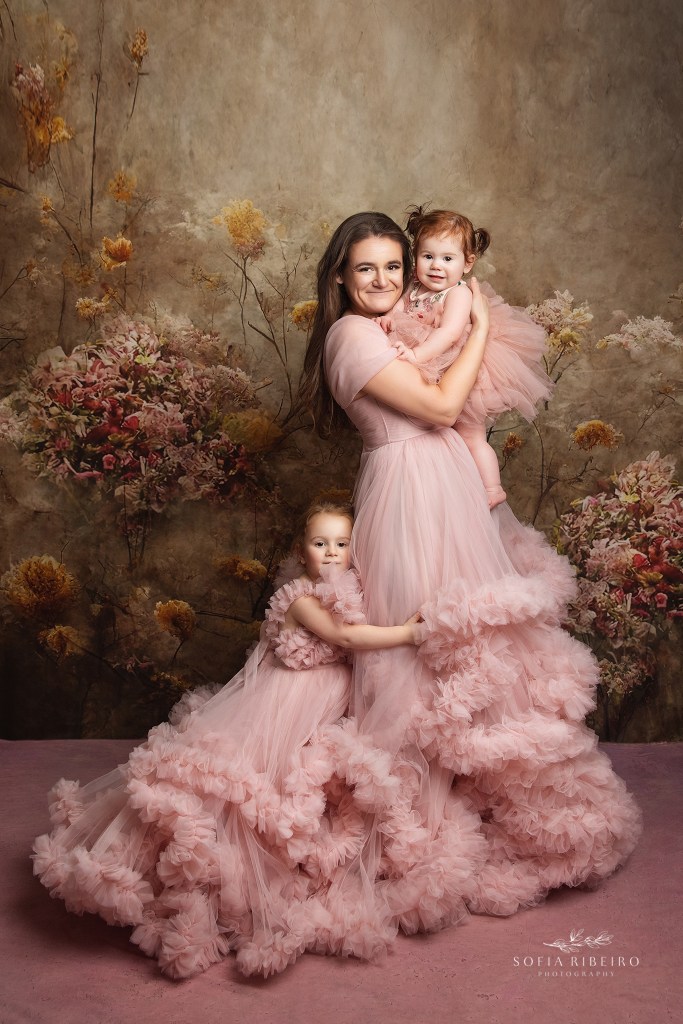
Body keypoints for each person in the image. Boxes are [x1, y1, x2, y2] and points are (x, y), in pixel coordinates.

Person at [298, 211, 642, 948]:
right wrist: (478, 328)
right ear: (339, 277)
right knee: (418, 655)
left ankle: (471, 808)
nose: (384, 281)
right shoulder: (351, 335)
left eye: (394, 266)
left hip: (443, 482)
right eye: (365, 268)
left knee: (467, 649)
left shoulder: (392, 324)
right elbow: (441, 405)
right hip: (408, 491)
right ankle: (407, 834)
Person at [32, 501, 422, 979]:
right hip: (284, 708)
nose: (331, 553)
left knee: (311, 792)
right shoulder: (301, 600)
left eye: (341, 544)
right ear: (301, 551)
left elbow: (361, 626)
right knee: (248, 790)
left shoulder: (350, 592)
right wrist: (408, 633)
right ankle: (208, 877)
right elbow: (348, 637)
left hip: (323, 712)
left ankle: (294, 868)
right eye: (320, 543)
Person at [377, 207, 553, 507]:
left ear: (467, 263)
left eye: (448, 259)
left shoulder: (458, 294)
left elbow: (448, 334)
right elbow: (397, 308)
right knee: (440, 436)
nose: (436, 266)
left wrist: (416, 354)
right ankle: (453, 486)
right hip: (433, 372)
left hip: (459, 369)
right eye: (428, 256)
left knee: (471, 435)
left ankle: (492, 488)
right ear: (415, 256)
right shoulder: (413, 286)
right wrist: (388, 318)